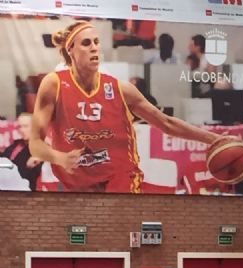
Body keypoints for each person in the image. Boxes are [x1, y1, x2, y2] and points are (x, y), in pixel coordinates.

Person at [29, 21, 225, 193]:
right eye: (86, 43)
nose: (94, 48)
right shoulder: (54, 84)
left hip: (119, 176)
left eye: (97, 42)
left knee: (118, 219)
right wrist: (60, 158)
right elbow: (35, 144)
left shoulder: (120, 89)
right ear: (70, 50)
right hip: (77, 182)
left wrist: (215, 139)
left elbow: (166, 123)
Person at [1, 113, 43, 191]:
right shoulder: (16, 144)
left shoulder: (41, 148)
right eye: (19, 126)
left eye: (25, 126)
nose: (22, 130)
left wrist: (27, 167)